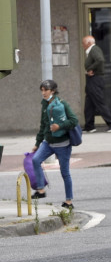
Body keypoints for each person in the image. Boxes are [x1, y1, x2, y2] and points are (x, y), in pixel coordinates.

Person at [31, 80, 78, 210]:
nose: (43, 93)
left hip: (63, 144)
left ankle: (69, 201)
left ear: (52, 91)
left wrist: (60, 126)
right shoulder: (44, 105)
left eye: (45, 90)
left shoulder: (62, 104)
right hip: (48, 143)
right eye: (42, 90)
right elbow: (43, 125)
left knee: (65, 173)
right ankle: (41, 190)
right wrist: (37, 143)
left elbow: (74, 120)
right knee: (35, 160)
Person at [82, 35, 111, 133]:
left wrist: (91, 68)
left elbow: (100, 60)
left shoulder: (94, 49)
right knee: (89, 104)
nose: (82, 45)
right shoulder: (92, 50)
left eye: (83, 43)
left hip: (95, 79)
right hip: (92, 79)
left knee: (99, 102)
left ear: (89, 43)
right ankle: (89, 126)